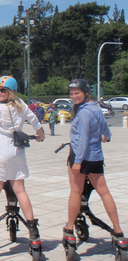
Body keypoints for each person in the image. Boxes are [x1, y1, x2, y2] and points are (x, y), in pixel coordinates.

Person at [0, 76, 45, 244]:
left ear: (11, 92)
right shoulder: (22, 105)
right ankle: (32, 228)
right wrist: (40, 134)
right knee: (20, 190)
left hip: (1, 151)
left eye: (3, 90)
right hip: (17, 151)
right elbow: (34, 119)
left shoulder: (0, 108)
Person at [63, 79, 124, 244]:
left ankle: (69, 227)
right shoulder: (95, 108)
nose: (74, 96)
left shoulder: (83, 112)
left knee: (76, 191)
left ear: (86, 93)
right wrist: (107, 136)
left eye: (77, 93)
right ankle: (117, 229)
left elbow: (82, 139)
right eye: (72, 94)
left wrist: (78, 161)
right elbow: (105, 127)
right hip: (96, 157)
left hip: (80, 157)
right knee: (104, 192)